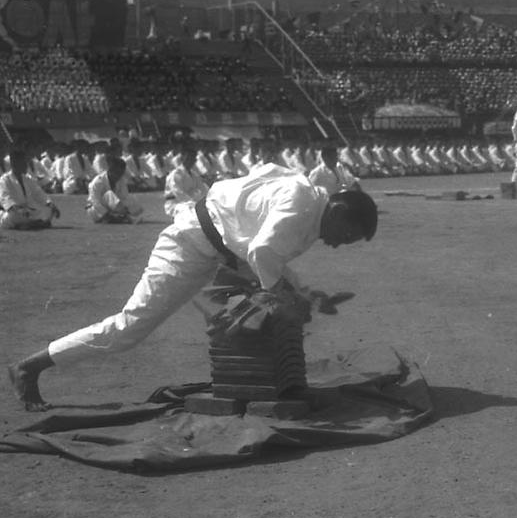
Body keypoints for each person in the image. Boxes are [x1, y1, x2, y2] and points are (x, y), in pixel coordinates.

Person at [7, 166, 379, 411]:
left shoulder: (304, 191)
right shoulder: (301, 206)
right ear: (340, 212)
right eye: (346, 237)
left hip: (218, 247)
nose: (338, 245)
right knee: (129, 328)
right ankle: (31, 366)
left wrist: (309, 294)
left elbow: (261, 241)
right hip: (189, 245)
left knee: (274, 298)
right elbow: (262, 251)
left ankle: (257, 378)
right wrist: (289, 296)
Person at [1, 149, 60, 229]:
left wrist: (50, 204)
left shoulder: (27, 179)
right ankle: (33, 223)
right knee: (13, 216)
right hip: (14, 211)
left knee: (47, 210)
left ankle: (28, 224)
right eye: (23, 163)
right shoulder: (4, 179)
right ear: (14, 163)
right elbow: (5, 198)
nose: (26, 166)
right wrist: (18, 209)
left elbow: (38, 193)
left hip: (28, 211)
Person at [86, 156, 144, 224]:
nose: (119, 176)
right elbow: (95, 202)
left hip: (115, 208)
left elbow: (124, 197)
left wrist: (124, 209)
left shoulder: (121, 179)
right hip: (97, 211)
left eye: (121, 173)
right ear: (110, 170)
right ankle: (128, 218)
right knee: (109, 194)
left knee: (133, 201)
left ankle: (118, 218)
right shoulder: (98, 181)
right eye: (117, 173)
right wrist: (107, 214)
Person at [164, 147, 210, 216]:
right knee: (192, 211)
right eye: (188, 158)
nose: (190, 161)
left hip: (191, 202)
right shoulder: (176, 174)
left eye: (193, 158)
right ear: (182, 158)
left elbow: (203, 189)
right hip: (175, 203)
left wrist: (209, 199)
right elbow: (178, 193)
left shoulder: (194, 174)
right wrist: (193, 203)